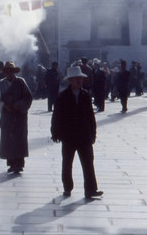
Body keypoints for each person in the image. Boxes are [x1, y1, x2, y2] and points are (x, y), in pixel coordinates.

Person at [51, 65, 103, 199]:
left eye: (80, 79)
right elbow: (57, 115)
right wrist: (55, 132)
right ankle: (67, 187)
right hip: (69, 136)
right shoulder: (63, 96)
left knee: (88, 163)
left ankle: (91, 189)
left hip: (84, 135)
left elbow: (91, 116)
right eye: (76, 79)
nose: (79, 81)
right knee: (67, 163)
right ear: (70, 80)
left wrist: (93, 133)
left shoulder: (86, 95)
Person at [0, 61, 33, 174]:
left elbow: (28, 97)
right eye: (7, 71)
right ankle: (11, 164)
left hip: (20, 115)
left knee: (19, 139)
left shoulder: (21, 82)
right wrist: (4, 106)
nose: (9, 73)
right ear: (5, 72)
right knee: (8, 139)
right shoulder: (0, 83)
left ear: (14, 71)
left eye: (11, 71)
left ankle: (19, 164)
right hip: (7, 115)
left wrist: (19, 106)